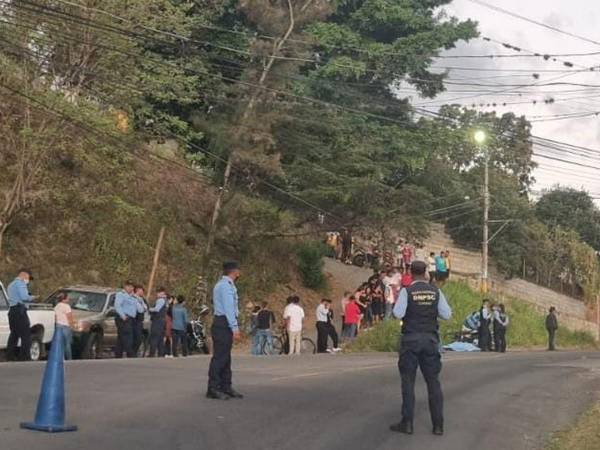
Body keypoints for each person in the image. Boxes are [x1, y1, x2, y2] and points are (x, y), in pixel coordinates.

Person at [391, 260, 452, 436]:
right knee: (433, 382)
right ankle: (438, 425)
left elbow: (398, 313)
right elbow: (447, 314)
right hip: (431, 341)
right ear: (426, 273)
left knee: (408, 382)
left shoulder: (406, 291)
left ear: (410, 273)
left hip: (410, 341)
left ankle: (407, 423)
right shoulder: (436, 292)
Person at [207, 261, 243, 400]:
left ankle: (226, 386)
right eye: (238, 270)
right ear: (234, 271)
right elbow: (229, 308)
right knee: (220, 357)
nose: (239, 273)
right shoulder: (225, 286)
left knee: (226, 357)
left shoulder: (226, 285)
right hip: (223, 323)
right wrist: (234, 327)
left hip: (223, 322)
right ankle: (213, 387)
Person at [6, 269, 34, 361]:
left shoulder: (11, 284)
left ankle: (9, 356)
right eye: (28, 277)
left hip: (12, 311)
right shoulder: (20, 283)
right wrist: (32, 297)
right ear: (24, 275)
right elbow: (24, 297)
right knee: (26, 336)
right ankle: (24, 357)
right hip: (20, 311)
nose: (28, 280)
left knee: (14, 335)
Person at [114, 280, 137, 358]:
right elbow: (117, 305)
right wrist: (123, 316)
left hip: (130, 319)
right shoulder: (121, 294)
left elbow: (140, 309)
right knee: (128, 338)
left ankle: (118, 355)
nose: (131, 288)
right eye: (129, 286)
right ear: (125, 286)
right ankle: (131, 355)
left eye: (132, 286)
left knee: (121, 338)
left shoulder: (132, 296)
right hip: (124, 319)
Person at [54, 292, 74, 360]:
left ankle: (60, 358)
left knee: (60, 344)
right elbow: (69, 317)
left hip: (58, 326)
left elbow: (55, 317)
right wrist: (72, 326)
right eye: (67, 298)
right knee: (67, 344)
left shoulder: (56, 306)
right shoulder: (67, 306)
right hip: (65, 326)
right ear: (64, 299)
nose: (69, 299)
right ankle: (69, 358)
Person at [148, 287, 168, 357]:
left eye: (158, 292)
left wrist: (149, 309)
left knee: (154, 337)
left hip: (157, 321)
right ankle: (160, 353)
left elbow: (156, 309)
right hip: (162, 322)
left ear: (161, 293)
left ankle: (152, 353)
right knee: (160, 338)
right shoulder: (165, 300)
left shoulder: (160, 300)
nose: (157, 294)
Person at [132, 285, 148, 356]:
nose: (143, 292)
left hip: (140, 321)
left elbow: (145, 307)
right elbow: (140, 309)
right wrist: (143, 308)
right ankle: (132, 352)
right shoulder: (133, 298)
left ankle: (134, 352)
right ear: (137, 290)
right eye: (141, 291)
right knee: (136, 338)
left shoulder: (141, 299)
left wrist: (143, 308)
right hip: (135, 320)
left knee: (139, 338)